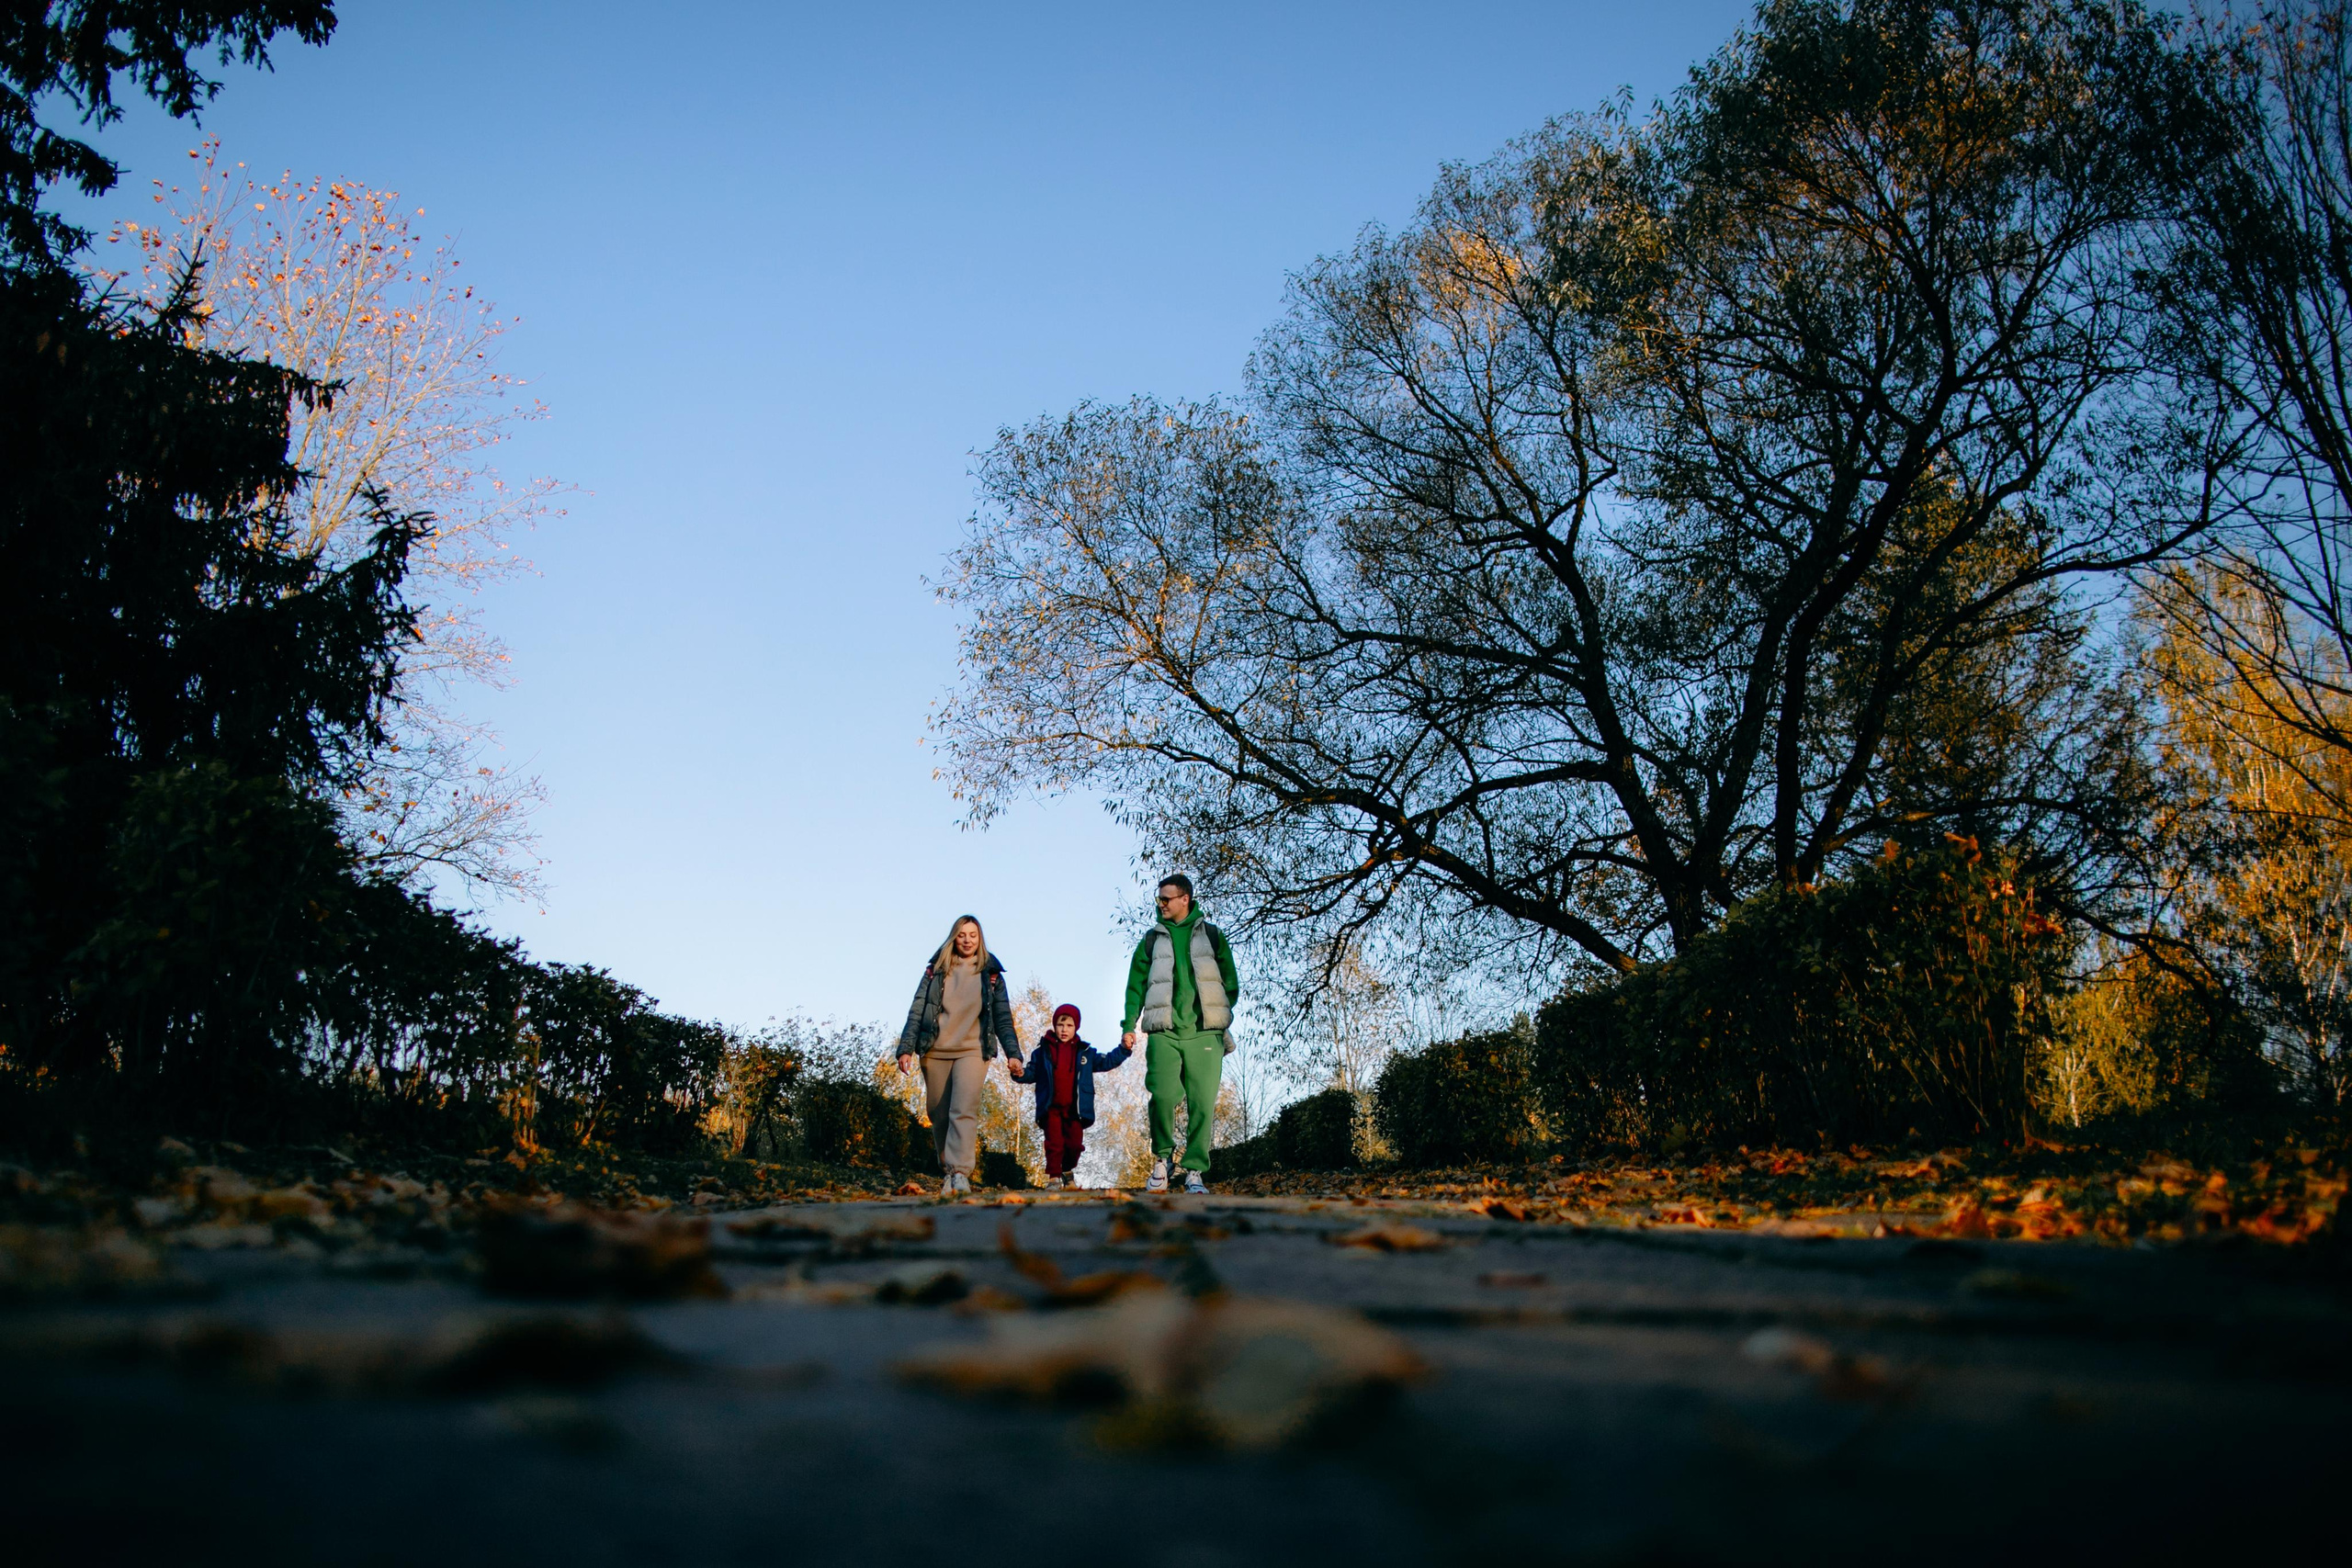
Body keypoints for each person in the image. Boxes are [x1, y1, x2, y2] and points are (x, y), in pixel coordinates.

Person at [1119, 874, 1238, 1195]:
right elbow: (1135, 986)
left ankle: (1195, 1170)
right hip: (1164, 1032)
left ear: (1185, 899)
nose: (1161, 904)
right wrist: (1129, 1025)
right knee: (1162, 1095)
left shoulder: (1212, 936)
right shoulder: (1151, 940)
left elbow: (1230, 981)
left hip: (1205, 1034)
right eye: (1159, 899)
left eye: (1166, 898)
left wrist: (1219, 1013)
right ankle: (1163, 1159)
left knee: (1202, 1103)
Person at [896, 914, 1022, 1196]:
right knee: (939, 1114)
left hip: (973, 1050)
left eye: (973, 935)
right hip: (935, 1049)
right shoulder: (936, 971)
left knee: (962, 1110)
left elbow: (1003, 1018)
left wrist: (1013, 1054)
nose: (967, 940)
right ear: (954, 937)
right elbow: (918, 1009)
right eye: (962, 935)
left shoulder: (991, 974)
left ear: (980, 939)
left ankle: (960, 1173)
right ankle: (948, 1171)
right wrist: (905, 1048)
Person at [1008, 1003, 1130, 1189]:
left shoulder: (1085, 1053)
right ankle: (1054, 1178)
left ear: (1076, 1027)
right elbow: (1031, 1073)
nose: (1064, 1030)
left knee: (1074, 1146)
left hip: (1075, 1110)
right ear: (1054, 1026)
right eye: (1060, 1025)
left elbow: (1107, 1061)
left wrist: (1123, 1049)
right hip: (1051, 1108)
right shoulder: (1042, 1052)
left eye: (1069, 1025)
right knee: (1054, 1144)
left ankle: (1066, 1170)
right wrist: (1020, 1073)